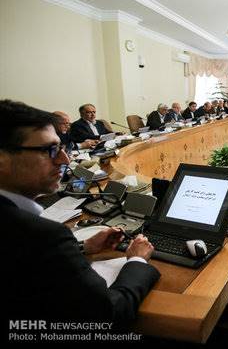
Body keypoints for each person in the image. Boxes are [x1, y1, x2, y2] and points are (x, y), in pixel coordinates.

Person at [1, 100, 160, 324]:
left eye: (61, 148)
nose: (64, 160)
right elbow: (108, 316)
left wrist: (84, 247)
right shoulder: (44, 236)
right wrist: (136, 261)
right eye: (50, 150)